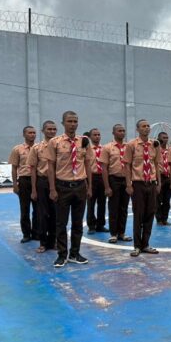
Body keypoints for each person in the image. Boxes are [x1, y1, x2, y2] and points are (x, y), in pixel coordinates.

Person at [46, 111, 94, 268]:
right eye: (69, 121)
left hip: (80, 186)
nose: (73, 124)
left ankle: (75, 253)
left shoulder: (84, 141)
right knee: (61, 223)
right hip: (62, 186)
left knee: (78, 223)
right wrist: (52, 189)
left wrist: (89, 186)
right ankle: (61, 255)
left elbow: (87, 164)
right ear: (63, 123)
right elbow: (51, 166)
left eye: (75, 121)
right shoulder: (55, 142)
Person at [124, 119, 162, 257]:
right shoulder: (131, 145)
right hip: (138, 183)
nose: (146, 128)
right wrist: (128, 184)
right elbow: (127, 165)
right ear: (137, 129)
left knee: (150, 213)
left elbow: (156, 164)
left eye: (147, 126)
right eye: (143, 126)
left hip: (151, 183)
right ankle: (137, 246)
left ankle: (146, 244)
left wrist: (159, 183)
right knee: (138, 214)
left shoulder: (154, 145)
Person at [27, 120, 57, 252]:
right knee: (42, 214)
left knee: (56, 214)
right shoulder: (37, 148)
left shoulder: (60, 146)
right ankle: (43, 242)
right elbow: (32, 169)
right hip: (42, 182)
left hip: (57, 182)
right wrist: (33, 189)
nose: (52, 131)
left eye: (54, 129)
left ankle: (54, 242)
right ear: (43, 131)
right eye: (49, 129)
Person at [100, 124, 132, 244]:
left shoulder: (129, 147)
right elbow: (104, 168)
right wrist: (107, 186)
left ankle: (122, 233)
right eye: (119, 131)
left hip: (126, 179)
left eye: (123, 131)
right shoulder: (107, 147)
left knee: (124, 208)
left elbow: (131, 165)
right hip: (114, 179)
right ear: (113, 133)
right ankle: (113, 234)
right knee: (114, 207)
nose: (122, 133)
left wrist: (130, 182)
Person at [9, 126, 38, 243]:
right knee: (24, 208)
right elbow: (14, 168)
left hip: (37, 180)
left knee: (38, 209)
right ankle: (26, 234)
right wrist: (15, 184)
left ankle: (36, 233)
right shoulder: (17, 149)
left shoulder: (39, 148)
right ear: (24, 135)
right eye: (30, 133)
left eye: (34, 133)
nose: (32, 135)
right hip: (24, 181)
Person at [86, 128, 108, 234]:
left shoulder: (104, 149)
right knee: (91, 202)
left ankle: (100, 225)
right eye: (94, 135)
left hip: (102, 177)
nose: (97, 136)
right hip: (91, 177)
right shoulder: (87, 149)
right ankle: (91, 225)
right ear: (90, 137)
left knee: (102, 202)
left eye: (99, 134)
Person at [155, 131, 171, 226]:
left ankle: (165, 219)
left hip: (168, 176)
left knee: (167, 200)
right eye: (163, 137)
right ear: (159, 138)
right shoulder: (155, 150)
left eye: (166, 137)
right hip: (159, 176)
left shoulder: (170, 150)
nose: (165, 139)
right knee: (158, 199)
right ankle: (159, 219)